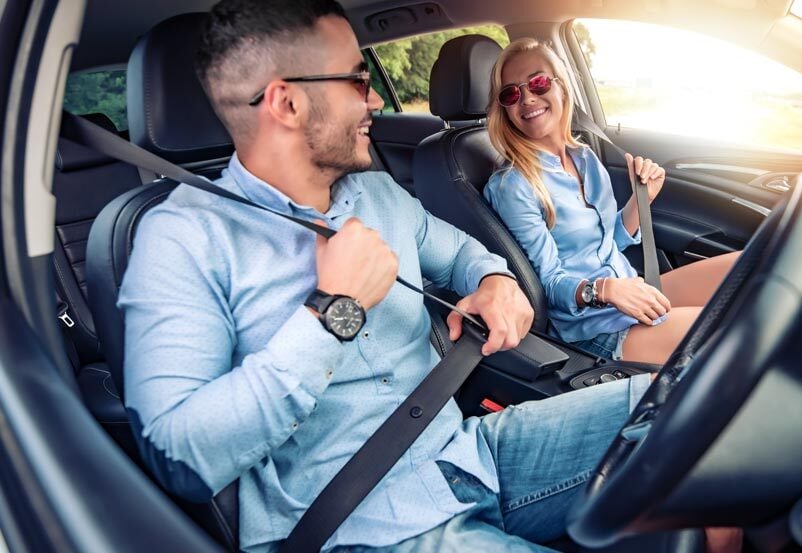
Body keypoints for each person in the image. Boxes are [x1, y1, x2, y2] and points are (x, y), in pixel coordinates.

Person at [118, 1, 738, 552]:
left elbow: (472, 256)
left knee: (706, 398)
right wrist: (332, 310)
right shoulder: (181, 238)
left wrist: (498, 283)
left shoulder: (378, 193)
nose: (377, 99)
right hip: (356, 521)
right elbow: (181, 459)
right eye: (359, 80)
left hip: (466, 453)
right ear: (286, 101)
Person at [483, 38, 740, 365]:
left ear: (561, 86)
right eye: (511, 94)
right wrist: (605, 290)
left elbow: (608, 241)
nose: (528, 98)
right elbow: (546, 285)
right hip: (593, 328)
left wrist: (641, 199)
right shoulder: (513, 186)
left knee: (754, 267)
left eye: (538, 82)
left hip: (630, 288)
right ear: (503, 107)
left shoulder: (584, 157)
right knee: (738, 331)